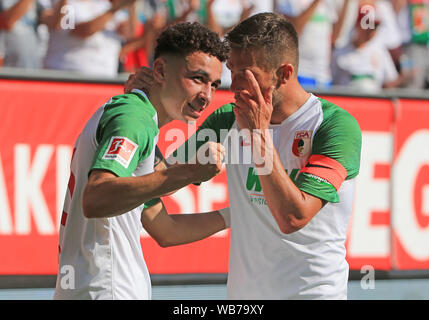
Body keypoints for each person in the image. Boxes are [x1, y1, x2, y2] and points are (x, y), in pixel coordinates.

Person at [129, 12, 362, 299]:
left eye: (246, 74)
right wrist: (146, 113)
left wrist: (258, 136)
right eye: (232, 70)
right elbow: (160, 178)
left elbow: (292, 217)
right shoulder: (228, 118)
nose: (234, 85)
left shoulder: (334, 126)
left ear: (284, 74)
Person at [53, 21, 230, 300]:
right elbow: (96, 198)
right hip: (109, 290)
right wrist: (188, 172)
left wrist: (236, 216)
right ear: (160, 71)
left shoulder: (133, 116)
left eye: (214, 85)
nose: (207, 96)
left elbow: (165, 230)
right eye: (198, 79)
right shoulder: (134, 119)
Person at [42, 0, 137, 77]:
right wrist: (115, 9)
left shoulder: (105, 5)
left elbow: (129, 32)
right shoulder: (62, 4)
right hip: (68, 77)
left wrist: (131, 6)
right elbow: (84, 31)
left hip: (105, 79)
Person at [331, 4, 411, 92]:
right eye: (366, 27)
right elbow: (332, 83)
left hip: (373, 102)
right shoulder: (340, 51)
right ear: (357, 26)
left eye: (373, 28)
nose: (370, 31)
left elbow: (389, 82)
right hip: (347, 101)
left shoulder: (379, 50)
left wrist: (404, 78)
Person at [274, 0, 349, 89]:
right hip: (300, 73)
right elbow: (293, 31)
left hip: (323, 76)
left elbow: (335, 37)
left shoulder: (328, 3)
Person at [0, 0, 47, 68]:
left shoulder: (35, 3)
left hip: (33, 67)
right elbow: (7, 22)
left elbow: (52, 22)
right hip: (9, 70)